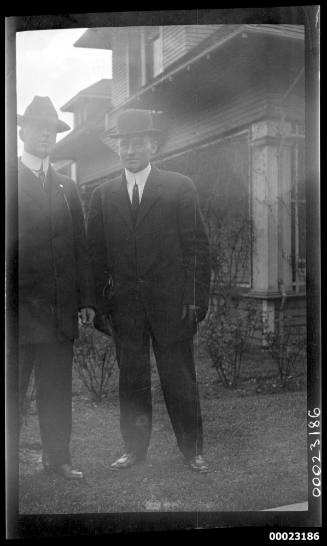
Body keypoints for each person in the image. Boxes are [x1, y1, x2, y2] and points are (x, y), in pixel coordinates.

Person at [87, 108, 210, 472]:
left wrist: (195, 300)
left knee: (180, 380)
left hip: (173, 306)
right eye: (124, 143)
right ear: (117, 148)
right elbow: (94, 257)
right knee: (132, 383)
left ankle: (192, 451)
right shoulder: (103, 195)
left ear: (152, 145)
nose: (131, 149)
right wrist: (99, 305)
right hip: (125, 308)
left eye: (138, 142)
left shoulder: (179, 187)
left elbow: (198, 250)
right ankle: (134, 450)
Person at [17, 96, 95, 479]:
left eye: (51, 128)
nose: (45, 134)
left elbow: (81, 247)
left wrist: (87, 300)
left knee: (56, 391)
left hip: (58, 312)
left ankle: (57, 459)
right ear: (22, 133)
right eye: (37, 128)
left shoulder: (68, 187)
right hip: (15, 313)